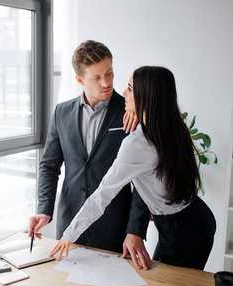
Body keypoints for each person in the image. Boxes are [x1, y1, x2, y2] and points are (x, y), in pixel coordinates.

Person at [50, 66, 216, 270]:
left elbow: (102, 195)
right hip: (194, 217)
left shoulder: (138, 143)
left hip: (182, 229)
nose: (124, 93)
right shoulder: (168, 126)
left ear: (147, 96)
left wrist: (69, 235)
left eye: (130, 89)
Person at [29, 40, 152, 270]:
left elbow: (143, 178)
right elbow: (49, 166)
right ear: (79, 80)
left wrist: (135, 229)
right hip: (69, 221)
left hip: (114, 225)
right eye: (96, 78)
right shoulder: (61, 112)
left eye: (109, 73)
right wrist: (44, 208)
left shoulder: (130, 110)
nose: (106, 83)